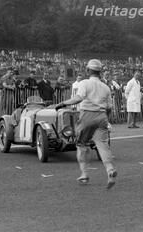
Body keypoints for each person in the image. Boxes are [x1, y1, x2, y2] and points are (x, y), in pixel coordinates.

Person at [55, 59, 117, 189]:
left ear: (88, 70)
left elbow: (79, 98)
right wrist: (106, 119)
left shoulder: (84, 83)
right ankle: (110, 170)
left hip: (87, 115)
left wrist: (63, 103)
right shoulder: (105, 87)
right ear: (100, 72)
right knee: (103, 145)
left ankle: (84, 174)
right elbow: (109, 107)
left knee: (81, 145)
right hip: (102, 116)